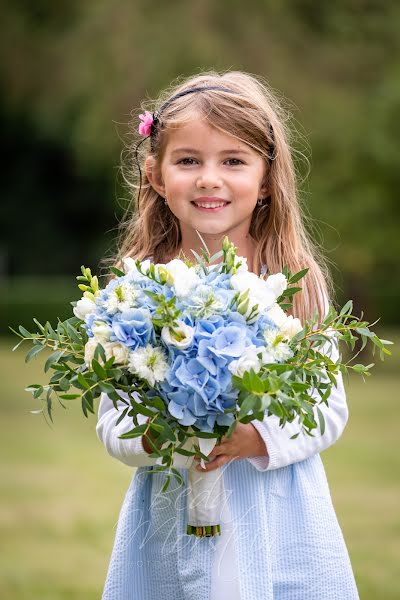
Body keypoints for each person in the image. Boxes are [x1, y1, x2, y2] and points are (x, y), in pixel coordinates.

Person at [96, 70, 359, 599]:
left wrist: (254, 439)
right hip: (169, 511)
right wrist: (155, 437)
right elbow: (111, 421)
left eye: (233, 161)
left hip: (276, 513)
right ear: (155, 173)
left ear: (266, 178)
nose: (209, 178)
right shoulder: (137, 288)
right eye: (188, 160)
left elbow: (328, 410)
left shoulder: (293, 282)